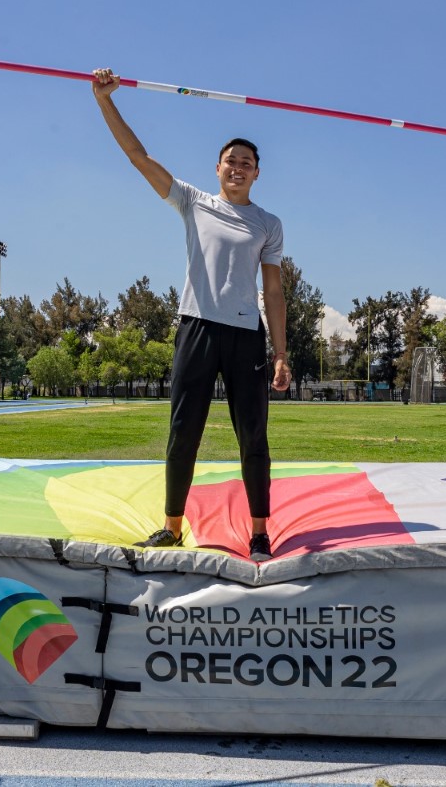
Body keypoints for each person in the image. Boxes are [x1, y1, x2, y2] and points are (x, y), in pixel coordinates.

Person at [92, 67, 292, 562]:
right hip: (196, 327)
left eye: (247, 162)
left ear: (257, 172)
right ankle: (171, 526)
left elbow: (274, 289)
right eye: (230, 161)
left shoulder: (268, 224)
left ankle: (260, 531)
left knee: (254, 437)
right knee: (184, 430)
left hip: (246, 335)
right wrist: (104, 100)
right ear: (218, 168)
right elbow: (139, 157)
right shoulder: (193, 203)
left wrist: (281, 352)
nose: (238, 167)